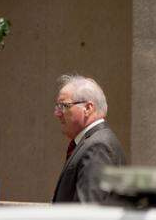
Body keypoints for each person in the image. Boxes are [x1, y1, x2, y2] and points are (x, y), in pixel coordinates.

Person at [51, 74, 126, 203]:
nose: (57, 113)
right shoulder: (94, 142)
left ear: (88, 108)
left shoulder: (98, 147)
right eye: (57, 107)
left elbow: (87, 212)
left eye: (64, 106)